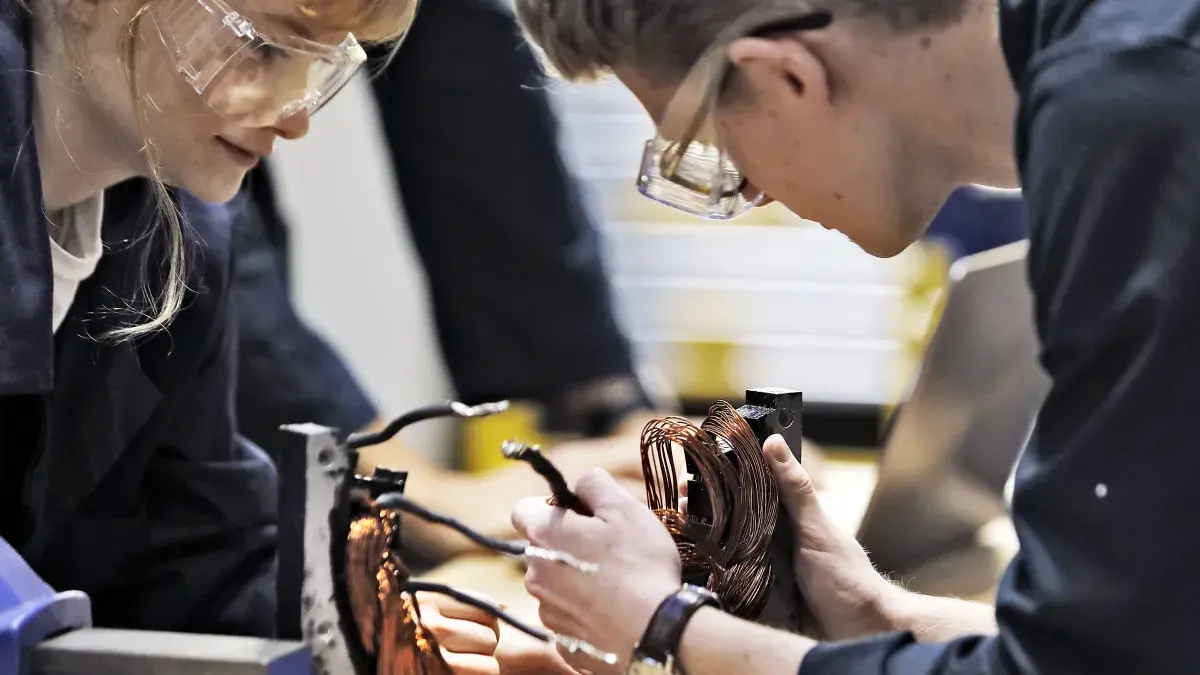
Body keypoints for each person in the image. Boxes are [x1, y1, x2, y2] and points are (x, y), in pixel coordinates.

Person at [505, 0, 1200, 673]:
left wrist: (665, 625)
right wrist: (873, 612)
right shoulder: (1130, 64)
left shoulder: (1143, 124)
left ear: (788, 76)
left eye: (715, 153)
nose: (752, 196)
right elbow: (1136, 639)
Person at [0, 0, 507, 669]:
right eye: (264, 48)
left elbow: (194, 550)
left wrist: (352, 622)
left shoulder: (185, 247)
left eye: (324, 64)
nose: (297, 117)